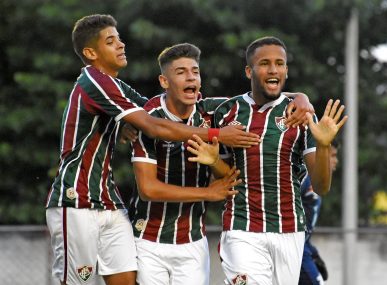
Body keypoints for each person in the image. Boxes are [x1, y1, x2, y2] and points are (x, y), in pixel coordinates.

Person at [44, 14, 261, 285]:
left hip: (111, 204)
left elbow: (156, 112)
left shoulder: (116, 87)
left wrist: (296, 97)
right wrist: (217, 134)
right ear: (90, 53)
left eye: (119, 39)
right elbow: (154, 126)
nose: (121, 45)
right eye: (111, 41)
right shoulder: (92, 79)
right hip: (76, 200)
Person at [213, 36, 348, 285]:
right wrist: (212, 161)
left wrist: (324, 145)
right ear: (248, 71)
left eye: (280, 63)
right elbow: (222, 178)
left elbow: (321, 187)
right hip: (242, 227)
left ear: (286, 69)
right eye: (264, 63)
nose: (273, 69)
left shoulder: (302, 114)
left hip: (290, 229)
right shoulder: (226, 112)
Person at [130, 43, 242, 285]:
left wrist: (300, 97)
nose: (191, 77)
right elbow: (148, 189)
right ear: (164, 81)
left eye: (195, 71)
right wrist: (207, 193)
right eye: (181, 72)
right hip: (148, 240)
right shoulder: (149, 118)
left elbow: (225, 181)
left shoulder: (212, 112)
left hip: (192, 241)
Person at [298, 141, 339, 285]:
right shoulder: (304, 178)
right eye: (332, 155)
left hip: (304, 247)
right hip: (294, 248)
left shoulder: (318, 183)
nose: (336, 161)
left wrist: (313, 252)